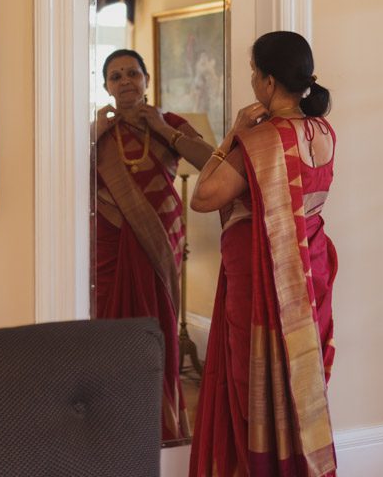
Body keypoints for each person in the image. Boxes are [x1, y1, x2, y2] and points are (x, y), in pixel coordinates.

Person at [188, 31, 338, 477]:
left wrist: (232, 136)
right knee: (301, 382)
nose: (253, 81)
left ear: (269, 82)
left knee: (254, 387)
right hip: (309, 274)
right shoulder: (323, 131)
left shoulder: (264, 140)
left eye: (254, 73)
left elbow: (203, 196)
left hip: (266, 280)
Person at [93, 48, 216, 441]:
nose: (125, 81)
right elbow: (64, 176)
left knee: (157, 329)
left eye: (133, 73)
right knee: (111, 330)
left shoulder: (169, 121)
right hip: (110, 248)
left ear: (146, 79)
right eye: (116, 76)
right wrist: (94, 134)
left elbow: (213, 163)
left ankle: (163, 427)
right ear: (106, 87)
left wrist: (164, 129)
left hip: (159, 242)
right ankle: (113, 426)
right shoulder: (96, 133)